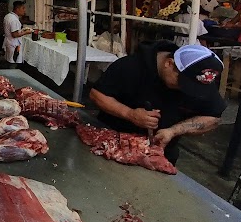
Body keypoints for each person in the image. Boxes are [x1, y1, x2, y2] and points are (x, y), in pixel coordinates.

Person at [89, 42, 225, 164]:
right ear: (169, 64)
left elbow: (213, 117)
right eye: (182, 83)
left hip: (159, 156)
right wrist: (129, 114)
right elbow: (97, 95)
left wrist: (174, 131)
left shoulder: (199, 79)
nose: (185, 90)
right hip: (111, 145)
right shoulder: (131, 66)